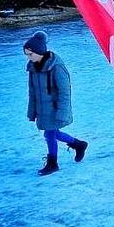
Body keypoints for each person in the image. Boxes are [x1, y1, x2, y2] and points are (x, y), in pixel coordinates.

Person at [24, 30, 88, 176]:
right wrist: (32, 111)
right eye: (27, 54)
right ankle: (78, 144)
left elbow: (65, 91)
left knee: (50, 134)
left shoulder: (56, 66)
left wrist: (62, 112)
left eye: (30, 54)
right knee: (51, 133)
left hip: (54, 108)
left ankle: (53, 163)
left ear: (39, 52)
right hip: (42, 108)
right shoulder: (33, 68)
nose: (28, 57)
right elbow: (32, 92)